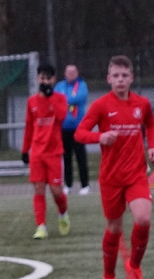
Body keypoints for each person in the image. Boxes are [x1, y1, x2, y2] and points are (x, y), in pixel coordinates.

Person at [75, 55, 154, 279]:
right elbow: (80, 133)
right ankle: (109, 278)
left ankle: (135, 267)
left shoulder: (142, 103)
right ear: (108, 79)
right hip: (111, 178)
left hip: (136, 174)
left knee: (143, 219)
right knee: (114, 228)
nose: (120, 79)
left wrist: (152, 146)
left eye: (124, 75)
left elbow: (151, 124)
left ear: (131, 78)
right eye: (116, 76)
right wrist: (99, 137)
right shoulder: (101, 105)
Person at [21, 63, 71, 240]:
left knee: (56, 191)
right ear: (37, 79)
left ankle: (63, 213)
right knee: (39, 189)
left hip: (54, 152)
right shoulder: (32, 101)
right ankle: (41, 226)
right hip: (37, 153)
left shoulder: (60, 98)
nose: (45, 81)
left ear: (53, 80)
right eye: (42, 78)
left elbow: (62, 116)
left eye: (48, 78)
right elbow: (29, 126)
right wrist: (25, 149)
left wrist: (50, 97)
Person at [55, 64, 90, 194]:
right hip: (63, 128)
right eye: (68, 72)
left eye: (73, 72)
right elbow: (55, 100)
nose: (71, 74)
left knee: (81, 157)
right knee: (66, 158)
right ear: (65, 73)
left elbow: (79, 97)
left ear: (77, 73)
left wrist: (65, 100)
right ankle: (68, 185)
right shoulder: (60, 86)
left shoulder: (82, 85)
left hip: (78, 127)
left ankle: (85, 185)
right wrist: (67, 101)